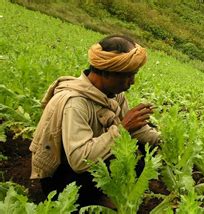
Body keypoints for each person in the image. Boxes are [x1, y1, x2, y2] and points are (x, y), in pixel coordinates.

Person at [29, 35, 161, 207]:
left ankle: (105, 196)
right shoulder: (75, 103)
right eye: (128, 76)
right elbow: (78, 160)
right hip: (63, 180)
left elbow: (136, 130)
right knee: (124, 147)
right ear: (106, 72)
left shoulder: (115, 95)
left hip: (91, 165)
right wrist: (122, 129)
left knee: (142, 146)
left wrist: (162, 141)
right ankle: (89, 202)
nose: (133, 82)